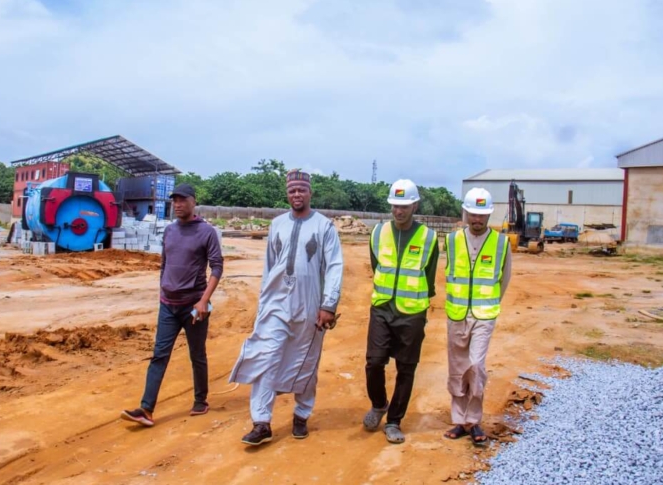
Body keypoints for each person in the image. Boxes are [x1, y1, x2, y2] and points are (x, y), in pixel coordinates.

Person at [229, 169, 344, 446]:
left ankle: (301, 415)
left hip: (310, 305)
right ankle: (261, 422)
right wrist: (263, 303)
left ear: (310, 193)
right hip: (276, 303)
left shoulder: (324, 226)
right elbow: (269, 266)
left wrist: (328, 305)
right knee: (267, 357)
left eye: (301, 190)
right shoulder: (277, 224)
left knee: (306, 360)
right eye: (292, 190)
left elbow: (334, 267)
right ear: (287, 194)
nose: (296, 194)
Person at [121, 183, 223, 427]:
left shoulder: (206, 232)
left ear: (193, 202)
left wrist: (204, 300)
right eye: (174, 200)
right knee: (159, 355)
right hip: (168, 305)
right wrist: (162, 291)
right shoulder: (169, 231)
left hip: (194, 306)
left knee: (197, 354)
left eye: (182, 200)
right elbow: (164, 264)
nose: (177, 204)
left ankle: (200, 400)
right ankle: (146, 409)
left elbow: (217, 267)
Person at [363, 179, 439, 444]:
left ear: (415, 206)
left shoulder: (429, 237)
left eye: (404, 206)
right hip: (382, 307)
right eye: (395, 206)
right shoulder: (378, 232)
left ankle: (394, 421)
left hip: (412, 312)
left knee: (406, 368)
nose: (398, 211)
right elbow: (376, 265)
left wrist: (417, 306)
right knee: (374, 362)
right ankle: (379, 404)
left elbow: (429, 277)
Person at [442, 187, 511, 446]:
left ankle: (473, 420)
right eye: (473, 214)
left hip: (484, 315)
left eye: (482, 215)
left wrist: (489, 304)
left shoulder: (501, 243)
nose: (477, 219)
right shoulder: (451, 240)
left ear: (489, 215)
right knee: (457, 368)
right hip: (456, 313)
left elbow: (504, 279)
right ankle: (460, 421)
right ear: (466, 213)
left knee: (476, 366)